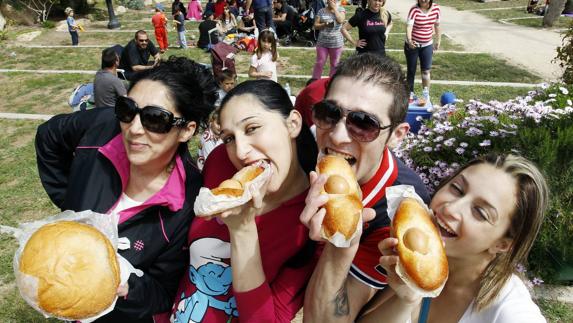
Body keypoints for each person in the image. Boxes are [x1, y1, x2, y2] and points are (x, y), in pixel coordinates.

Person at [35, 57, 219, 321]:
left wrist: (128, 288)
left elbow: (162, 292)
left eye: (155, 118)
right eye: (127, 109)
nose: (134, 128)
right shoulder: (102, 127)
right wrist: (70, 202)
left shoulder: (187, 203)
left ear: (186, 130)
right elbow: (48, 136)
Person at [169, 79, 319, 322]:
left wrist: (242, 230)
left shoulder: (312, 220)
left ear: (292, 124)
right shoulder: (220, 162)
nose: (240, 152)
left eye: (251, 129)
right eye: (229, 138)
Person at [300, 53, 430, 322]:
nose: (336, 135)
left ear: (396, 135)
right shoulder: (301, 148)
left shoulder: (397, 210)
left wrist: (342, 242)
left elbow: (326, 320)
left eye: (363, 124)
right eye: (329, 113)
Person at [361, 154, 548, 323]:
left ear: (502, 244)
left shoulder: (509, 310)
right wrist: (406, 300)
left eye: (480, 212)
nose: (450, 209)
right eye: (457, 189)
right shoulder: (423, 266)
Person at [404, 0, 441, 96]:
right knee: (411, 71)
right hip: (413, 45)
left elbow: (437, 25)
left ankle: (426, 94)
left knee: (426, 71)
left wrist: (438, 40)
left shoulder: (436, 8)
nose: (423, 0)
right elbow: (409, 27)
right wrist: (410, 40)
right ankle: (410, 94)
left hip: (427, 45)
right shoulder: (414, 10)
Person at [312, 0, 345, 80]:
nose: (332, 1)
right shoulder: (321, 11)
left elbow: (341, 20)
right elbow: (315, 25)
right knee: (320, 63)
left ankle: (331, 82)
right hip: (322, 42)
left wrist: (335, 9)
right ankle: (315, 81)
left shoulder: (341, 9)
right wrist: (324, 25)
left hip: (336, 43)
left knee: (335, 64)